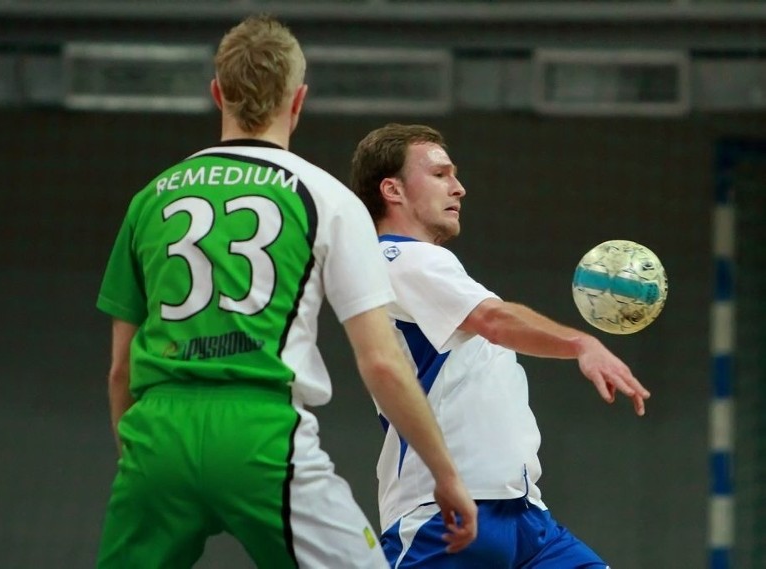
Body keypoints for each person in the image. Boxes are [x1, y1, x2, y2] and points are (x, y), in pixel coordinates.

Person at [95, 17, 477, 569]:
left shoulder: (150, 199)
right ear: (298, 101)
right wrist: (445, 474)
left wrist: (142, 464)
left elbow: (119, 371)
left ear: (217, 94)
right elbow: (383, 363)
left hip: (157, 434)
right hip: (261, 434)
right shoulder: (328, 198)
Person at [349, 123, 652, 568]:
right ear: (392, 189)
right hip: (445, 517)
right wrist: (581, 343)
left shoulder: (435, 270)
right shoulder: (397, 257)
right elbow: (493, 319)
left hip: (526, 516)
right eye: (440, 174)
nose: (459, 187)